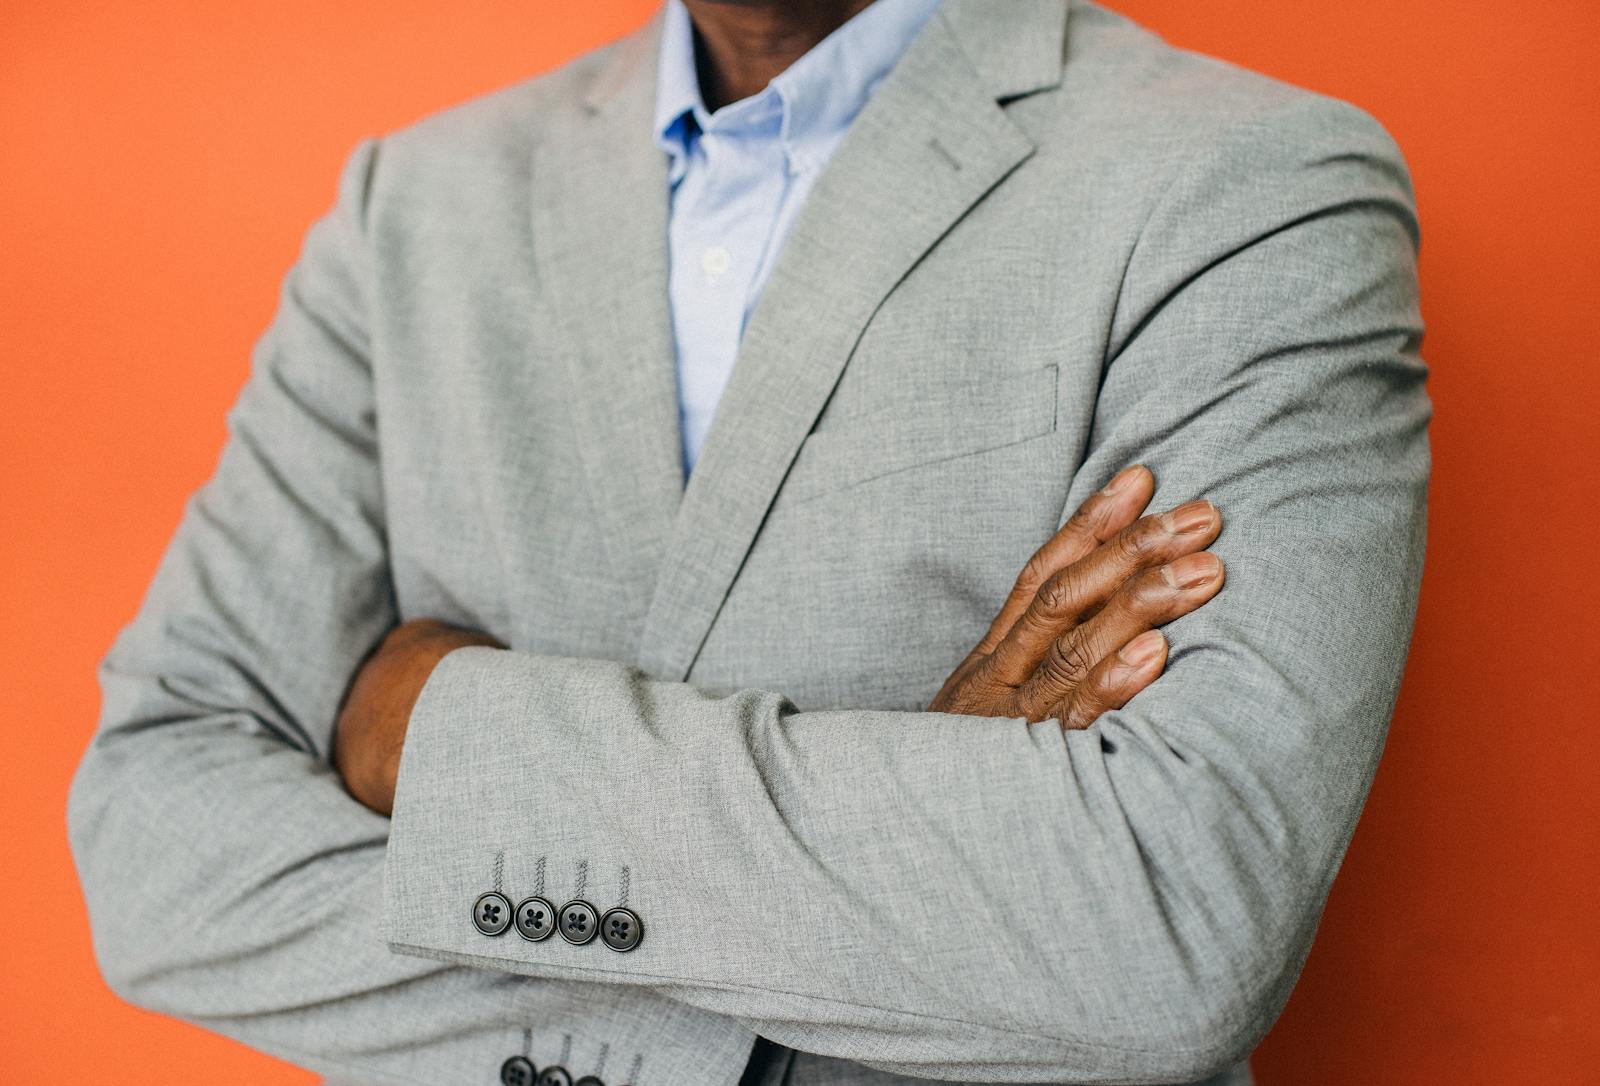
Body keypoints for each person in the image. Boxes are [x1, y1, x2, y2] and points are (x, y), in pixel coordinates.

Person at [66, 0, 1431, 1083]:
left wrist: (439, 738)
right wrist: (911, 866)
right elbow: (152, 831)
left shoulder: (1255, 182)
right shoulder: (408, 206)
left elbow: (1170, 927)